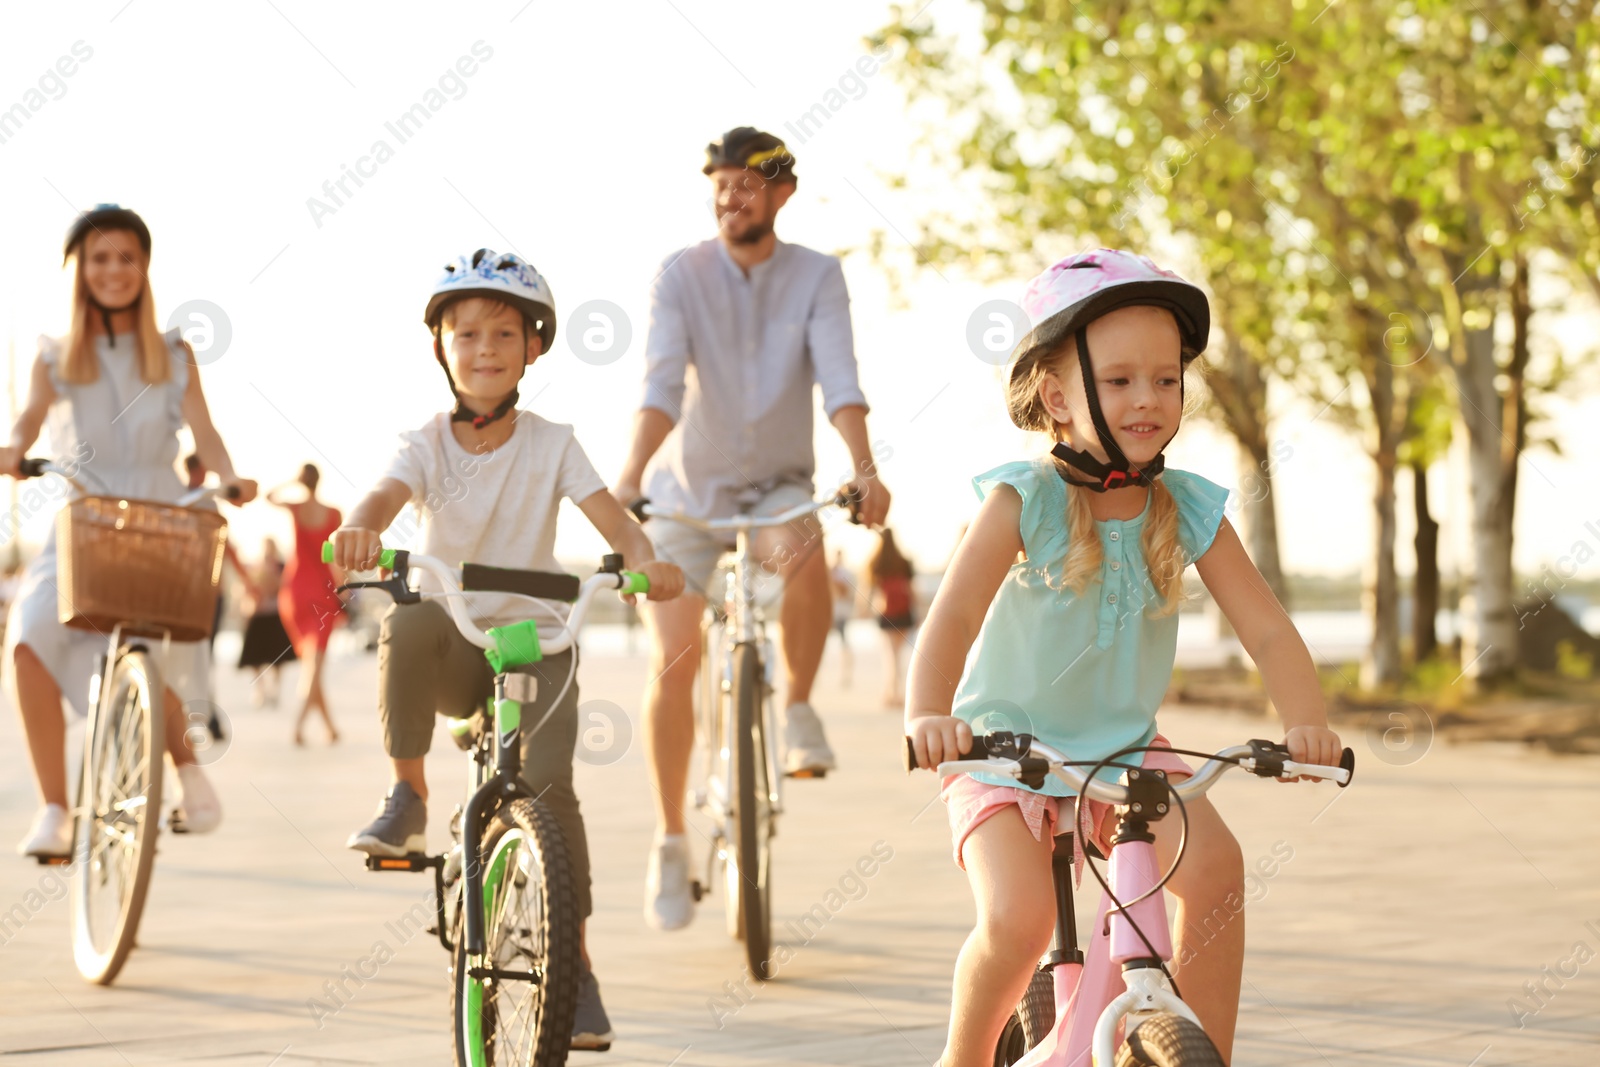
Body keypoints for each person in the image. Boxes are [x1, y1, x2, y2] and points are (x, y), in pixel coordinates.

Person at [905, 250, 1345, 1066]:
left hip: (1124, 746)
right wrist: (930, 716)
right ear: (1058, 395)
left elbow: (1269, 629)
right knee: (1019, 920)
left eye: (1166, 379)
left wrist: (1305, 723)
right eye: (1120, 381)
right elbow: (956, 612)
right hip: (1002, 749)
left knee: (1215, 871)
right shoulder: (1023, 498)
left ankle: (1201, 1047)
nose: (1148, 397)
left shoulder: (1185, 507)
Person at [329, 248, 684, 1050]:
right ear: (441, 348)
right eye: (467, 334)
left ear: (533, 348)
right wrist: (362, 526)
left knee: (552, 791)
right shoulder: (424, 441)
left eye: (504, 333)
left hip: (536, 637)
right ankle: (408, 797)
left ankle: (577, 968)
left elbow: (613, 521)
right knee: (408, 615)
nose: (484, 348)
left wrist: (645, 560)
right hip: (455, 635)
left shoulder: (554, 442)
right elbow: (383, 495)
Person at [612, 127, 891, 931]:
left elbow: (840, 376)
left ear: (782, 194)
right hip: (686, 494)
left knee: (803, 547)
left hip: (775, 487)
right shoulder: (680, 274)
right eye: (723, 183)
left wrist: (864, 466)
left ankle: (798, 707)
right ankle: (671, 838)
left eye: (750, 183)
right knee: (675, 653)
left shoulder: (816, 276)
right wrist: (630, 476)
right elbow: (661, 382)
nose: (735, 195)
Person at [2, 204, 257, 856]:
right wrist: (11, 448)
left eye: (126, 257)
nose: (113, 269)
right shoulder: (53, 356)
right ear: (78, 270)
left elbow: (207, 433)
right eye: (99, 258)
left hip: (162, 520)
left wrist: (230, 477)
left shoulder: (173, 354)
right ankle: (56, 809)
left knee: (153, 646)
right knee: (29, 635)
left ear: (144, 268)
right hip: (85, 520)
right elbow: (29, 420)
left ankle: (191, 775)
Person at [268, 463, 343, 745]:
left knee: (313, 666)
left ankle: (330, 728)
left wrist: (291, 482)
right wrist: (342, 588)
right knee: (315, 665)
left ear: (303, 481)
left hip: (294, 592)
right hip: (321, 595)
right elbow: (335, 557)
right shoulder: (334, 514)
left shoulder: (296, 508)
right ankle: (298, 727)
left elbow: (269, 497)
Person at [236, 537, 295, 707]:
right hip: (258, 614)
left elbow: (285, 587)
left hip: (275, 615)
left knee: (278, 658)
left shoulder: (282, 567)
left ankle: (275, 690)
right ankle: (260, 689)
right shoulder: (254, 566)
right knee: (254, 657)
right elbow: (246, 589)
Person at [867, 528, 915, 709]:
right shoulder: (903, 562)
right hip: (903, 613)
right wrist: (916, 612)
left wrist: (865, 609)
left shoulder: (876, 562)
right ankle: (897, 694)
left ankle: (890, 693)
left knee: (890, 656)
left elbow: (871, 590)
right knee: (897, 655)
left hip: (886, 614)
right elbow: (910, 590)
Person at [828, 549, 855, 688]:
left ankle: (845, 675)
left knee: (844, 644)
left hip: (841, 614)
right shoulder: (829, 572)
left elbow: (847, 594)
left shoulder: (845, 574)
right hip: (830, 614)